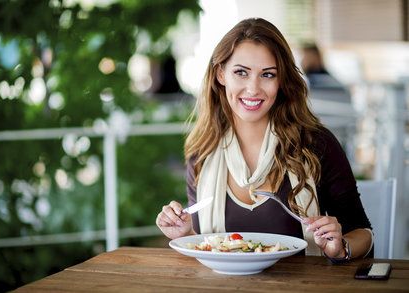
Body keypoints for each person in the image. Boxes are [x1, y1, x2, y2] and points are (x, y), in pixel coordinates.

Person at [155, 17, 372, 261]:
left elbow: (362, 231)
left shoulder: (316, 144)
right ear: (220, 74)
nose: (253, 88)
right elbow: (209, 247)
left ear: (281, 81)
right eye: (241, 72)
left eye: (267, 75)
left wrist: (341, 246)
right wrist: (185, 233)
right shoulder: (202, 152)